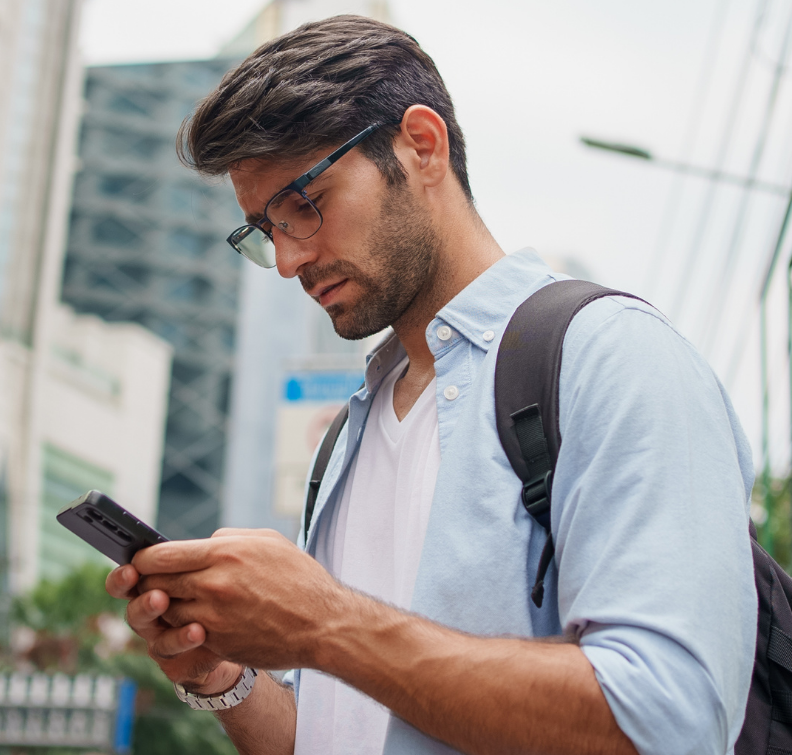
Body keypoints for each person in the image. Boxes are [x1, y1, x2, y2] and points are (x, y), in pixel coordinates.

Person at [106, 15, 757, 755]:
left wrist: (325, 624)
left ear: (422, 145)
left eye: (305, 203)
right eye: (265, 229)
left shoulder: (610, 357)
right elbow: (346, 735)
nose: (288, 259)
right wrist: (223, 674)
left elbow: (669, 721)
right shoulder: (347, 437)